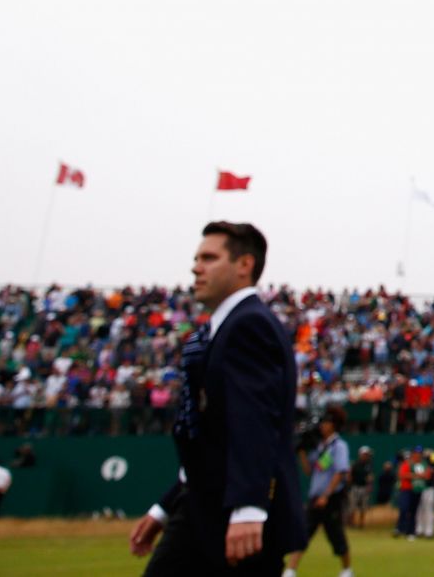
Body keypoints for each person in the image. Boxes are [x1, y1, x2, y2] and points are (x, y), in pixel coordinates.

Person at [127, 222, 303, 575]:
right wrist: (167, 506)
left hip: (232, 514)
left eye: (209, 257)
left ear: (244, 265)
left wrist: (249, 507)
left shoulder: (248, 324)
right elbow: (211, 438)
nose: (196, 267)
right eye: (196, 258)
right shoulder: (222, 328)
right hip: (203, 506)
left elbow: (253, 422)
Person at [282, 405, 353, 577]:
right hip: (316, 497)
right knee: (304, 531)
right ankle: (291, 570)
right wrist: (301, 453)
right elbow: (310, 470)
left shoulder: (339, 446)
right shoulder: (320, 447)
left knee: (336, 535)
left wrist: (326, 495)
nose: (322, 425)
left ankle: (347, 570)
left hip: (331, 498)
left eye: (326, 422)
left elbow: (340, 472)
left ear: (334, 424)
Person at [346, 446, 373, 528]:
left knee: (363, 507)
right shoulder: (355, 464)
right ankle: (351, 523)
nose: (366, 456)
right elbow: (349, 476)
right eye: (364, 454)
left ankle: (361, 523)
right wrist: (349, 486)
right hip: (355, 487)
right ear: (360, 454)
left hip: (364, 488)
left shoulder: (369, 464)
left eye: (367, 454)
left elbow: (370, 476)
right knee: (352, 506)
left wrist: (369, 485)